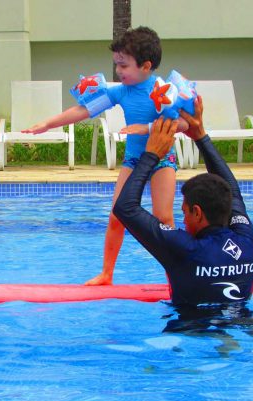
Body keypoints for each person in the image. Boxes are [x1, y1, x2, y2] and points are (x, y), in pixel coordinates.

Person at [23, 26, 186, 286]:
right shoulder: (120, 91)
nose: (118, 71)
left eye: (124, 66)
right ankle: (107, 274)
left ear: (146, 66)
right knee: (116, 215)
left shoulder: (165, 91)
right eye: (116, 65)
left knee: (164, 219)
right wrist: (47, 124)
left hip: (162, 160)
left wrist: (146, 128)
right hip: (133, 160)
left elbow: (185, 126)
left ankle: (175, 276)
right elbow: (84, 110)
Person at [112, 96, 253, 308]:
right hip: (245, 320)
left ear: (197, 212)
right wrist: (201, 137)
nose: (184, 220)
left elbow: (125, 208)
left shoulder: (184, 249)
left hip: (191, 331)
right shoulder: (247, 241)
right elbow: (233, 192)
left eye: (185, 212)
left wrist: (151, 154)